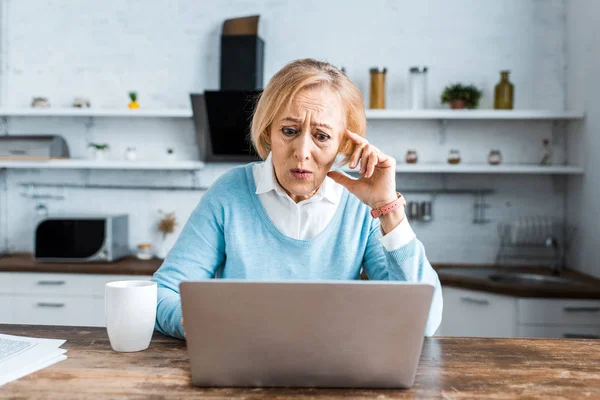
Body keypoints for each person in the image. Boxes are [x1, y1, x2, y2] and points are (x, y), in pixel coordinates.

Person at [151, 58, 443, 340]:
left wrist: (387, 209)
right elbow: (162, 292)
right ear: (268, 131)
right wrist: (192, 321)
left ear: (345, 142)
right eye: (289, 131)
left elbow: (424, 320)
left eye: (322, 136)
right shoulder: (229, 192)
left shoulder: (359, 206)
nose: (302, 151)